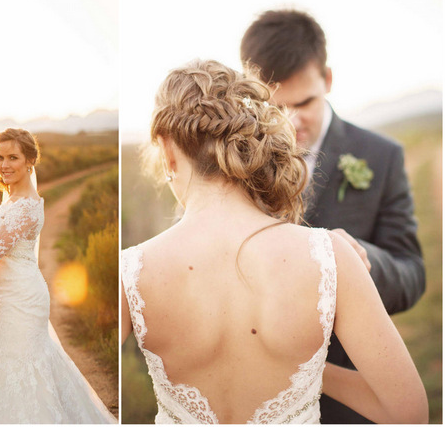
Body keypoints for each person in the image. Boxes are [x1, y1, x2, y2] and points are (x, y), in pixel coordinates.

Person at [121, 60, 427, 424]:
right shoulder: (329, 257)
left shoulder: (129, 271)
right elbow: (409, 413)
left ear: (168, 150)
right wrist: (311, 372)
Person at [240, 9, 426, 423]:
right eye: (275, 106)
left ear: (326, 79)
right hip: (253, 394)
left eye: (303, 102)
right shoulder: (234, 166)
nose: (290, 121)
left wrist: (365, 262)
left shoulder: (382, 156)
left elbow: (413, 273)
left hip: (348, 398)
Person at [0, 128, 116, 424]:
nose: (4, 165)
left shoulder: (26, 207)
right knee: (12, 362)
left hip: (23, 300)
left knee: (23, 365)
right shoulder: (12, 199)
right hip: (8, 298)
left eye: (13, 157)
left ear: (30, 160)